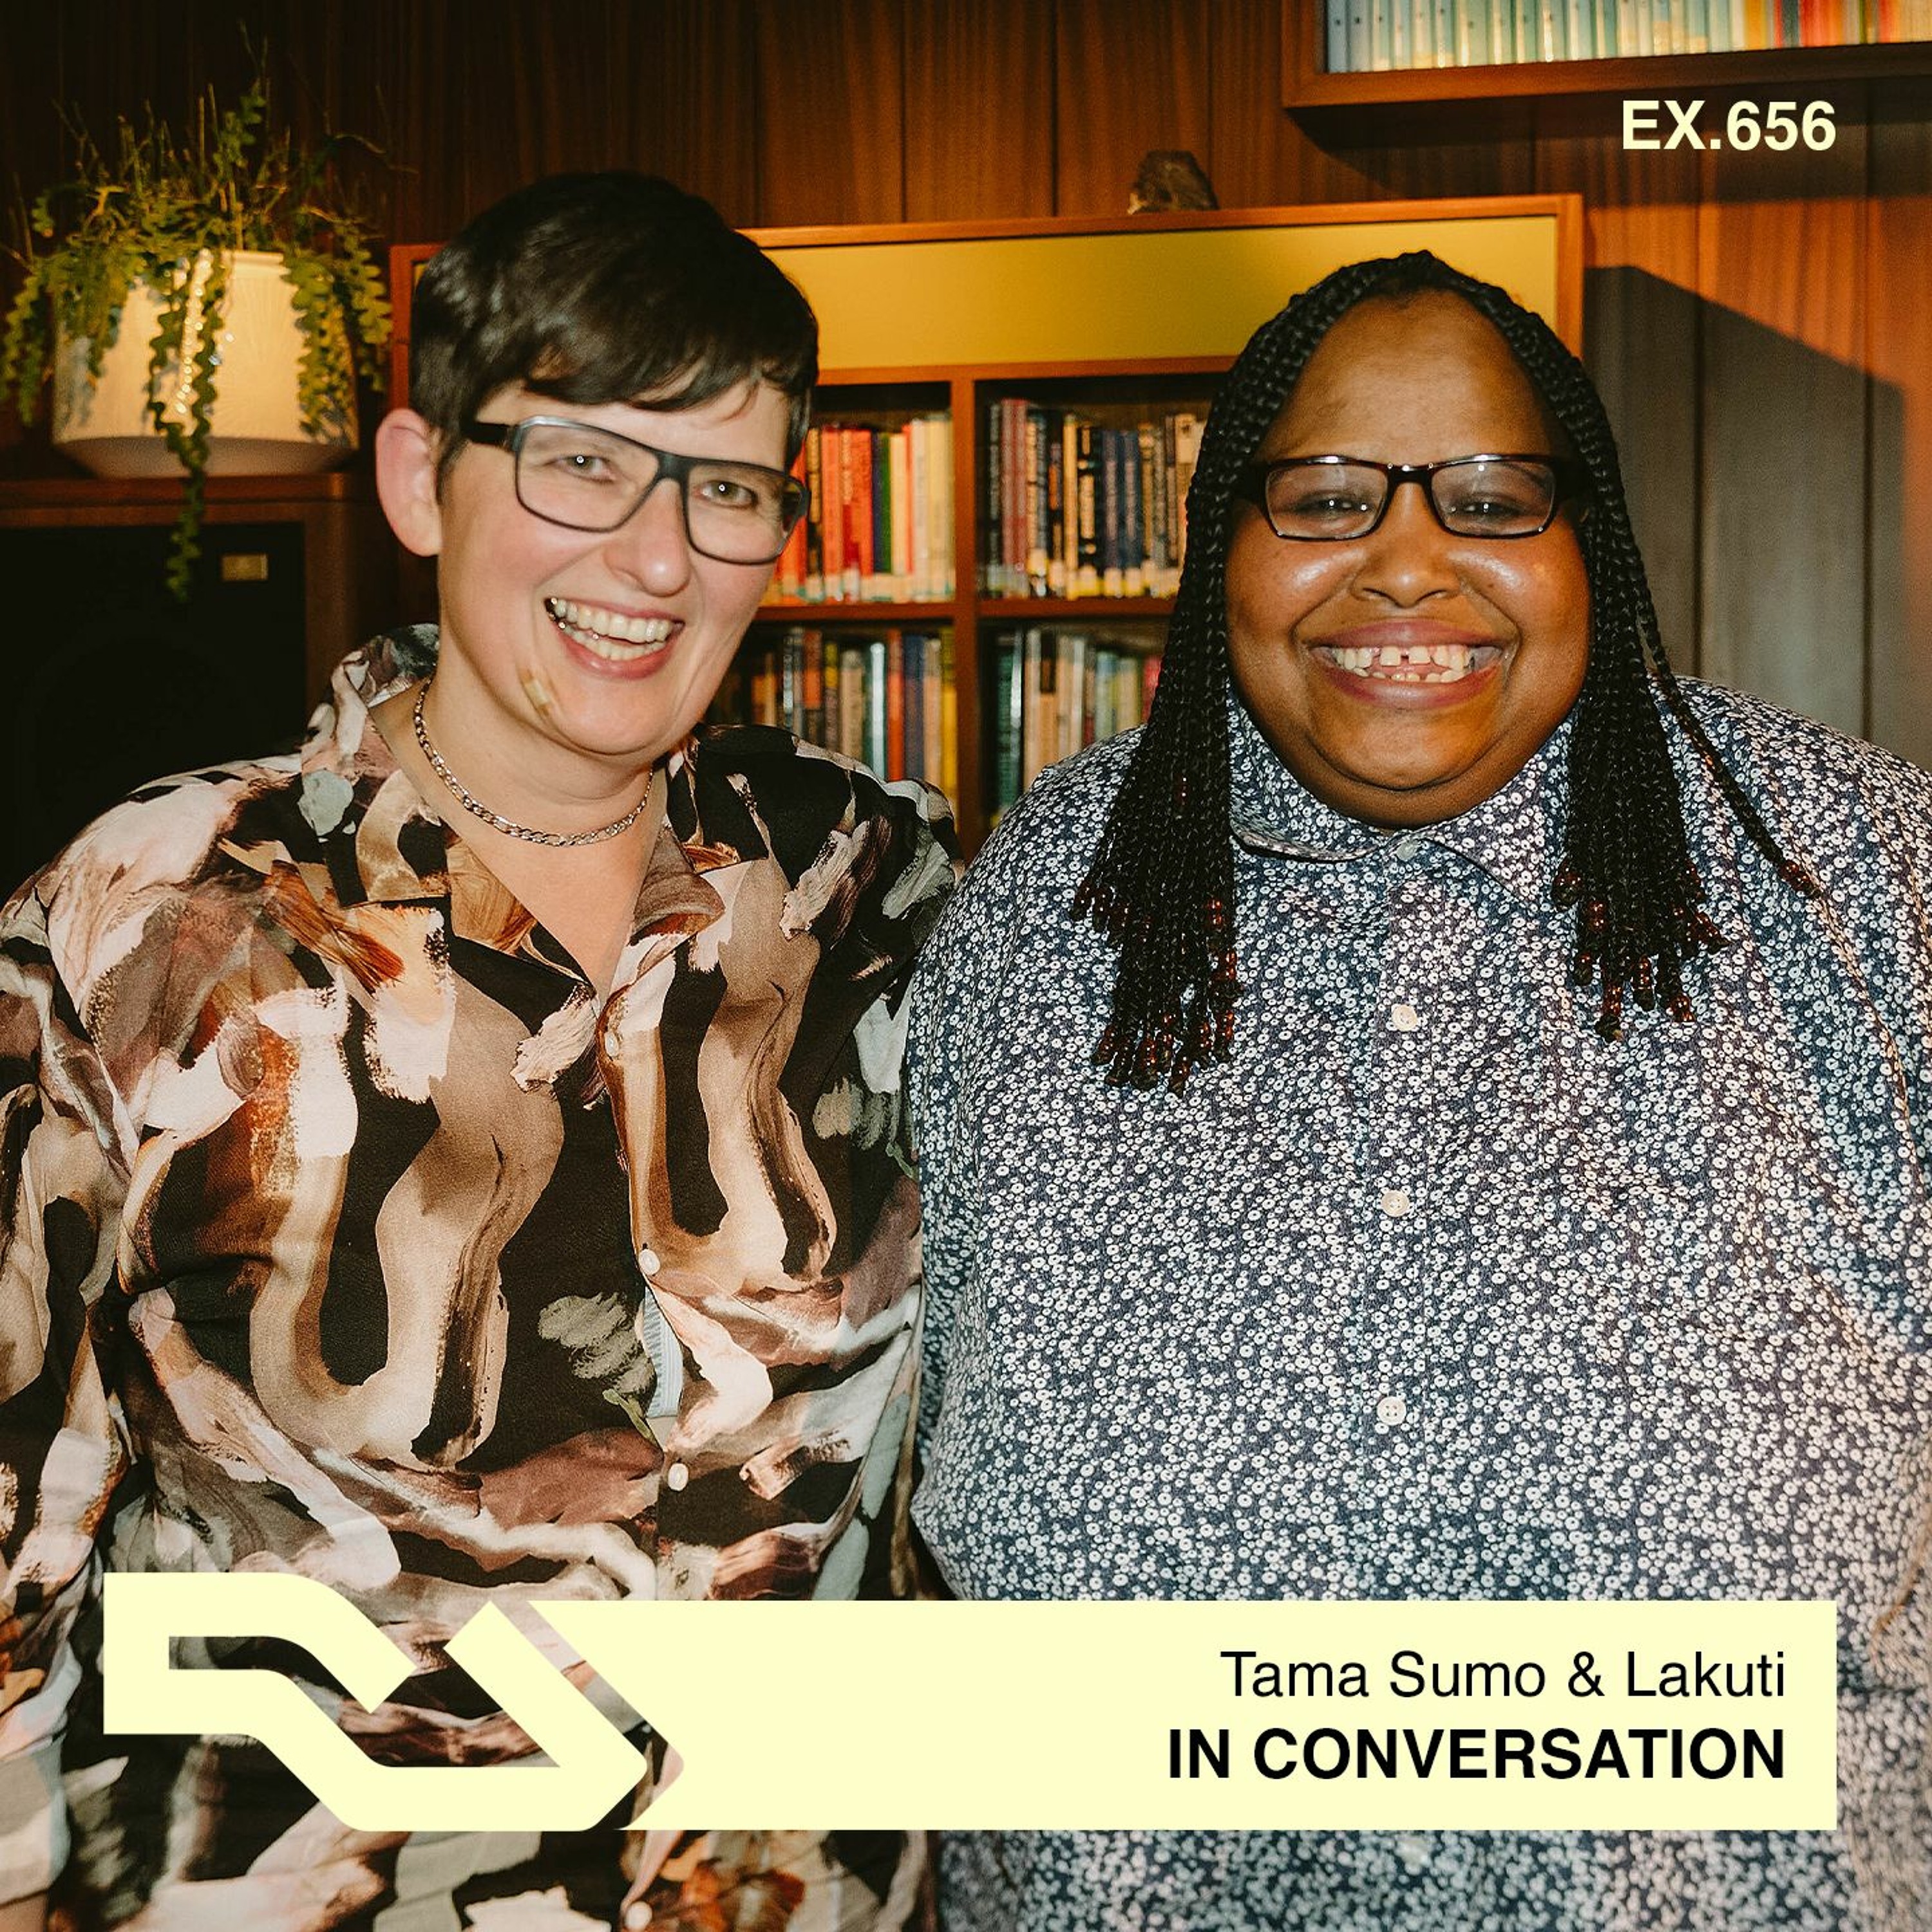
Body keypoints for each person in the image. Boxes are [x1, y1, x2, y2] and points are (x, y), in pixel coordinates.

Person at [908, 251, 1931, 1929]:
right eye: (1323, 499)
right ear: (1220, 549)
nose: (1402, 562)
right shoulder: (1052, 898)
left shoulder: (1860, 880)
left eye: (1491, 498)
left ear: (1588, 541)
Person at [0, 172, 954, 1931]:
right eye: (583, 461)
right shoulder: (148, 921)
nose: (658, 556)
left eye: (729, 487)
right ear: (415, 478)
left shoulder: (878, 885)